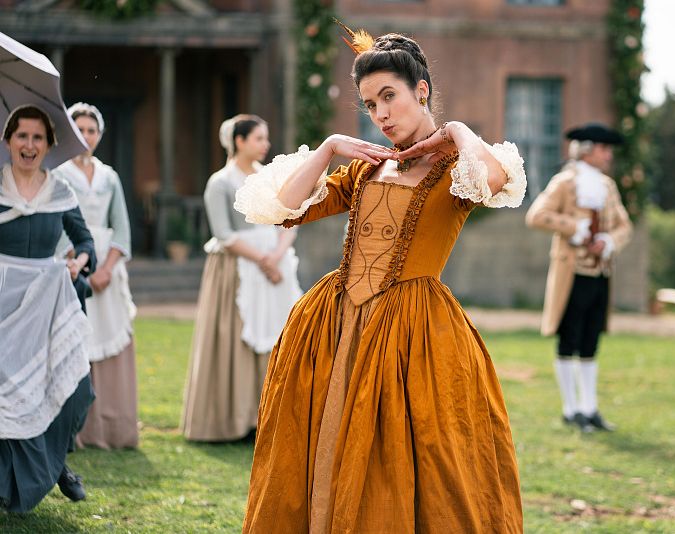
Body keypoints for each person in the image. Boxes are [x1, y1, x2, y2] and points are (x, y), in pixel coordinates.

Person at [234, 27, 526, 533]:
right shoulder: (368, 170)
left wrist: (454, 130)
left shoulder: (457, 169)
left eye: (389, 96)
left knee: (417, 457)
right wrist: (327, 148)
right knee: (322, 444)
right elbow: (282, 208)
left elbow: (492, 182)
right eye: (370, 105)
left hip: (413, 334)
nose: (381, 115)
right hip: (334, 326)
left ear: (422, 90)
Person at [181, 114, 302, 442]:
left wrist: (275, 258)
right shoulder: (220, 183)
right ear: (240, 141)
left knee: (279, 334)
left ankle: (273, 415)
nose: (266, 145)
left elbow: (290, 219)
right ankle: (237, 417)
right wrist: (263, 260)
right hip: (237, 269)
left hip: (275, 268)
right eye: (259, 139)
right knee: (236, 339)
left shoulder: (271, 177)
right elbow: (223, 233)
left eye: (266, 138)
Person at [0, 105, 96, 511]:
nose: (29, 144)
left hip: (47, 306)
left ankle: (55, 465)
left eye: (38, 138)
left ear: (49, 145)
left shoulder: (60, 192)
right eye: (22, 136)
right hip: (3, 309)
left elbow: (85, 241)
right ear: (8, 142)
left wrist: (79, 261)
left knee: (75, 391)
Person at [525, 123, 633, 433]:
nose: (608, 155)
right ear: (588, 150)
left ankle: (590, 408)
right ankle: (571, 409)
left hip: (600, 273)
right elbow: (537, 215)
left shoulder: (608, 186)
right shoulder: (564, 182)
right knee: (569, 339)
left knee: (590, 341)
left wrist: (609, 241)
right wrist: (575, 227)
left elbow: (625, 226)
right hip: (572, 273)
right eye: (604, 149)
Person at [53, 102, 139, 450]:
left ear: (99, 135)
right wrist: (73, 261)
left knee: (112, 338)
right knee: (74, 341)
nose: (86, 136)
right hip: (70, 261)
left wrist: (106, 268)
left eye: (91, 130)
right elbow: (56, 224)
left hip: (108, 268)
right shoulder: (57, 173)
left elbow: (122, 227)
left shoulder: (109, 176)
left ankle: (111, 427)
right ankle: (74, 429)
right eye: (80, 129)